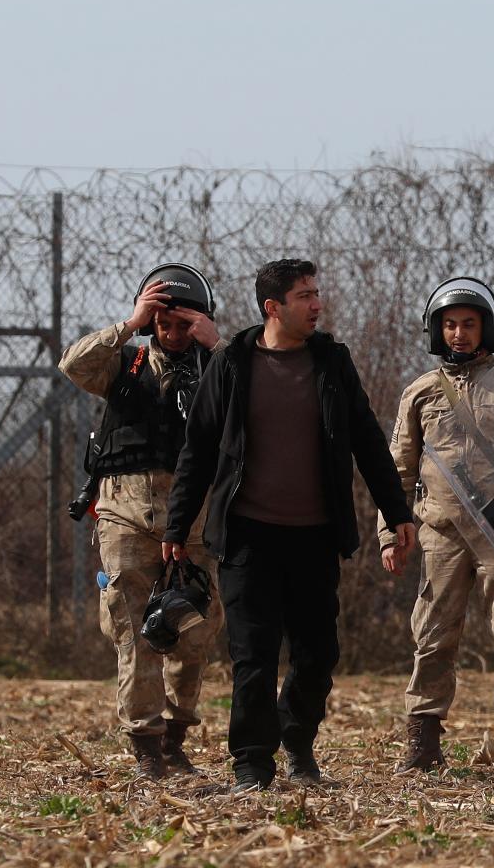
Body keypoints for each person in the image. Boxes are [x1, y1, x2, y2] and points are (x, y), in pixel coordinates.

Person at [162, 259, 416, 793]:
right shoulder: (231, 363)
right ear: (272, 307)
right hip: (248, 537)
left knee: (317, 655)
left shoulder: (332, 363)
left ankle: (297, 743)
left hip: (314, 537)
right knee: (252, 656)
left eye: (317, 293)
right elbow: (199, 452)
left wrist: (398, 513)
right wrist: (176, 527)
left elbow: (368, 442)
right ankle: (251, 764)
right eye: (305, 295)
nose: (317, 304)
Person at [58, 263, 225, 781]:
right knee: (134, 629)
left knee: (193, 630)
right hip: (125, 511)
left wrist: (216, 347)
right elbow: (73, 365)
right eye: (164, 323)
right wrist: (130, 324)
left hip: (193, 518)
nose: (172, 334)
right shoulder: (123, 365)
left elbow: (257, 399)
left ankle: (176, 734)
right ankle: (147, 744)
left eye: (183, 324)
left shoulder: (219, 371)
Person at [383, 277, 494, 773]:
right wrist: (392, 532)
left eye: (469, 324)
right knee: (433, 634)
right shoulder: (422, 392)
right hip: (441, 531)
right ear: (436, 331)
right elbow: (400, 469)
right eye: (449, 325)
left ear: (486, 329)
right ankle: (422, 744)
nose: (458, 334)